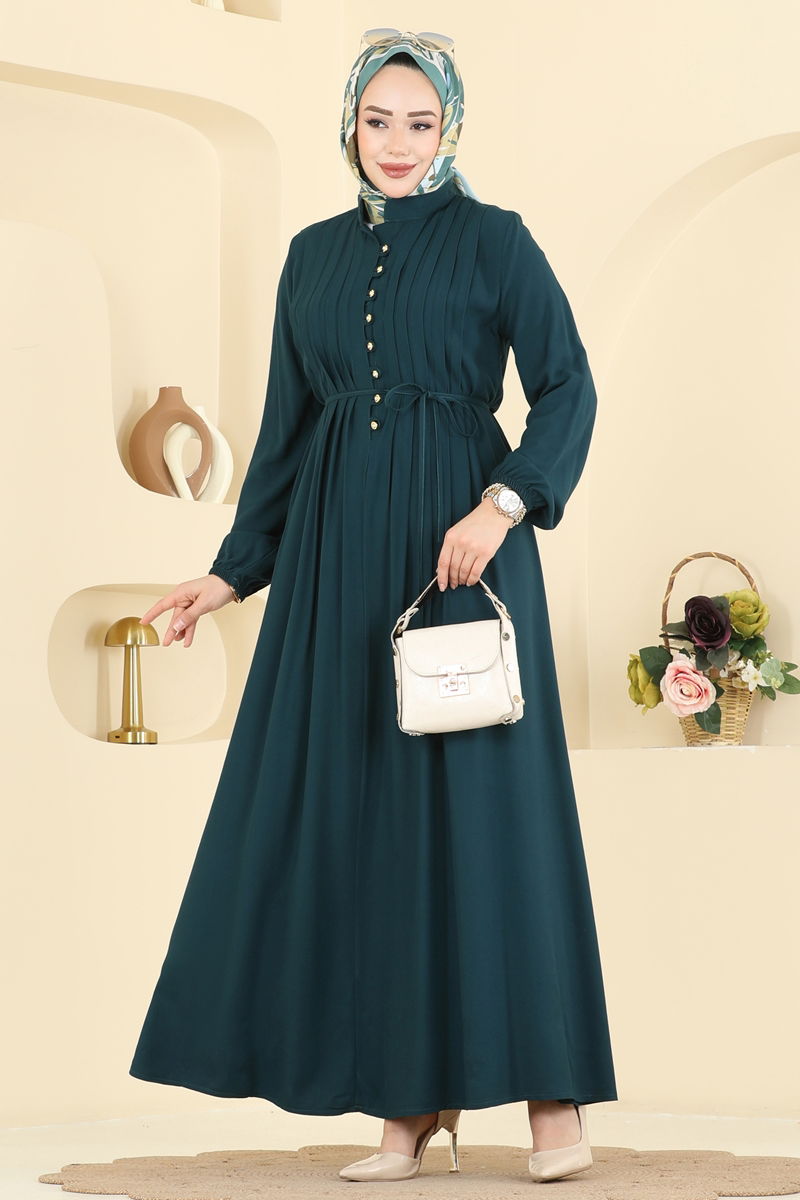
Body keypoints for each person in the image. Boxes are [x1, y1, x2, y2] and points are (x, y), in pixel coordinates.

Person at [129, 28, 617, 1185]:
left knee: (491, 816)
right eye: (376, 120)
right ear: (348, 125)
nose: (396, 143)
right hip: (333, 565)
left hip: (458, 556)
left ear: (450, 128)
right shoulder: (309, 257)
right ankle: (406, 1106)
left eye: (419, 122)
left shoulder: (497, 241)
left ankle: (552, 1098)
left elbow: (566, 385)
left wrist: (501, 505)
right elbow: (284, 437)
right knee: (368, 825)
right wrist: (228, 572)